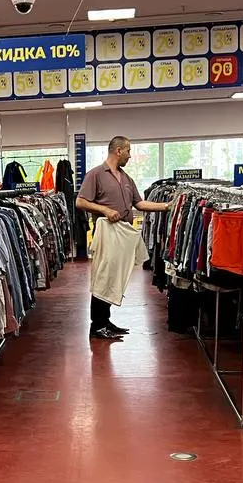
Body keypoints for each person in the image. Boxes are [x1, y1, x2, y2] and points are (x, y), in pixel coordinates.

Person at [75, 136, 169, 340]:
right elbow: (80, 202)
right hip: (106, 232)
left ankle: (105, 321)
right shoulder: (96, 174)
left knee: (115, 278)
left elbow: (139, 204)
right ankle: (97, 326)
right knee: (103, 278)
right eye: (128, 151)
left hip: (123, 233)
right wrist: (105, 210)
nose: (130, 155)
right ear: (118, 151)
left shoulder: (126, 178)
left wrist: (167, 206)